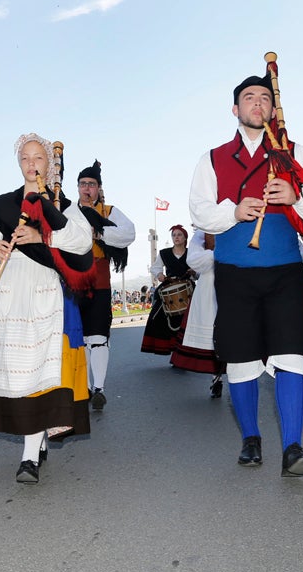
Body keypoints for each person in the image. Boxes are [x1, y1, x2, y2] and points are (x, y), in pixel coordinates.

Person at [189, 70, 303, 477]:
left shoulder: (293, 152)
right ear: (236, 109)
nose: (258, 104)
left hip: (286, 270)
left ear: (273, 108)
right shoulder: (213, 158)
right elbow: (199, 209)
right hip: (235, 272)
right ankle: (251, 437)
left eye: (265, 98)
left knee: (292, 354)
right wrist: (232, 211)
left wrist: (296, 195)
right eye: (250, 98)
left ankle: (293, 447)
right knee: (241, 360)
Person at [0, 133, 94, 484]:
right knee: (17, 370)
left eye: (38, 158)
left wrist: (44, 237)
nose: (31, 164)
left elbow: (82, 243)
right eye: (25, 158)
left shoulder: (64, 206)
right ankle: (38, 437)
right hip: (7, 295)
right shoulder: (2, 206)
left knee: (41, 370)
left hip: (48, 294)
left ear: (49, 164)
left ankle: (29, 456)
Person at [75, 160, 136, 410]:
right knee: (79, 336)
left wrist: (99, 232)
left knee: (98, 334)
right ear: (77, 187)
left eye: (92, 184)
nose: (87, 188)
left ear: (99, 188)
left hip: (99, 279)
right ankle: (85, 386)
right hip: (72, 280)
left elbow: (128, 233)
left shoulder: (109, 211)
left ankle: (98, 387)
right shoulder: (68, 211)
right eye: (83, 184)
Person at [169, 228, 225, 398]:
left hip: (238, 281)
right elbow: (195, 260)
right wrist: (224, 252)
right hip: (209, 286)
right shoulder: (203, 232)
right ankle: (216, 377)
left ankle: (241, 378)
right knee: (212, 336)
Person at [140, 224, 194, 355]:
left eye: (179, 235)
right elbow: (155, 267)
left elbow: (198, 270)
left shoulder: (192, 253)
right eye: (174, 235)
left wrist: (194, 272)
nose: (176, 237)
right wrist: (159, 275)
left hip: (187, 286)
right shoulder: (164, 253)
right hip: (168, 285)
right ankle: (166, 346)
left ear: (185, 238)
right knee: (156, 315)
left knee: (196, 315)